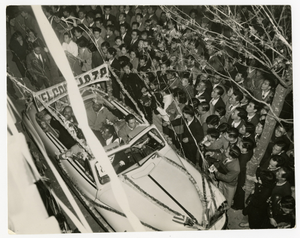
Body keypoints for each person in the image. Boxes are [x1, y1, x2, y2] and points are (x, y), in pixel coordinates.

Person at [232, 138, 254, 210]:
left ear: (245, 148)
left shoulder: (243, 161)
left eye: (240, 144)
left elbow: (241, 172)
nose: (238, 145)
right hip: (242, 176)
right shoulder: (247, 152)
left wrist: (244, 183)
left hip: (242, 178)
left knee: (240, 192)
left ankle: (238, 206)